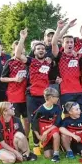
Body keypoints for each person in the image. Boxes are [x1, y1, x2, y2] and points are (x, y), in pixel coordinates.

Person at [15, 26, 62, 154]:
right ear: (34, 51)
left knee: (46, 119)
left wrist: (60, 28)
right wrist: (22, 38)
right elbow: (18, 55)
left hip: (45, 96)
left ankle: (46, 141)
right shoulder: (31, 61)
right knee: (33, 120)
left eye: (42, 48)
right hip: (32, 96)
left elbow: (55, 42)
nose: (41, 50)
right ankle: (36, 144)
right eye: (38, 49)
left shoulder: (48, 61)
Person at [1, 40, 30, 144]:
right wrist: (14, 79)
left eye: (22, 47)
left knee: (27, 120)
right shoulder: (10, 62)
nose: (20, 50)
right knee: (15, 120)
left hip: (27, 95)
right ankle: (15, 140)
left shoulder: (28, 61)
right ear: (14, 50)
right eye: (18, 48)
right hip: (14, 96)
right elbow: (2, 78)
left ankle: (25, 140)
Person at [58, 35, 82, 113]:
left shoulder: (78, 56)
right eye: (67, 42)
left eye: (71, 42)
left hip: (79, 90)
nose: (69, 44)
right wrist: (61, 27)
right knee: (69, 115)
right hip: (66, 91)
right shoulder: (60, 56)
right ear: (63, 44)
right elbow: (53, 43)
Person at [31, 87, 63, 162]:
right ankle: (49, 146)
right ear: (51, 97)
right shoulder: (40, 110)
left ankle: (56, 155)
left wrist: (46, 132)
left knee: (55, 134)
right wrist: (39, 137)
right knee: (48, 156)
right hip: (44, 133)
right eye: (57, 97)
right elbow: (34, 125)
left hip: (52, 130)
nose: (58, 98)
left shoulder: (57, 108)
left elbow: (57, 123)